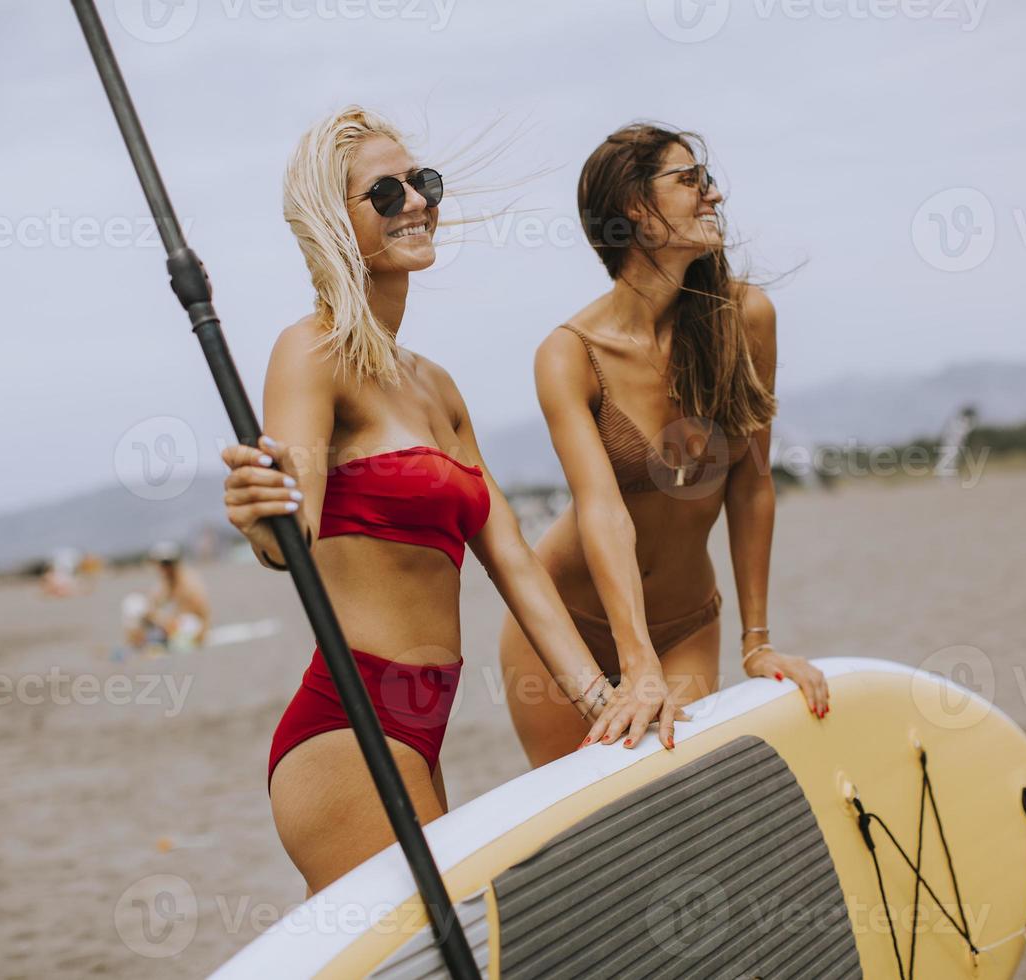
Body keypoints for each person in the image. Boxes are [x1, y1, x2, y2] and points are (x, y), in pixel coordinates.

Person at [219, 106, 683, 894]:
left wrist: (604, 701)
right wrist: (259, 512)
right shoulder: (312, 351)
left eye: (422, 182)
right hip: (348, 730)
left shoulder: (437, 385)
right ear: (335, 221)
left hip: (421, 733)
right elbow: (286, 529)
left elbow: (514, 563)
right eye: (386, 193)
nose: (417, 201)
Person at [499, 123, 832, 768]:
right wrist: (634, 663)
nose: (713, 195)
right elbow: (601, 507)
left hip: (684, 622)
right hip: (563, 629)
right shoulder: (571, 354)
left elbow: (752, 481)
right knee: (581, 827)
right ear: (634, 208)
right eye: (690, 180)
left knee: (676, 797)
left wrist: (756, 642)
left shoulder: (744, 320)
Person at [121, 542, 212, 655]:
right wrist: (154, 619)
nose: (163, 568)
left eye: (166, 563)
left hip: (188, 626)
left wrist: (201, 634)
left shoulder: (189, 582)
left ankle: (150, 641)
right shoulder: (166, 582)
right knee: (134, 603)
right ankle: (139, 640)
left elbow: (203, 613)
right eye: (161, 564)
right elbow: (152, 603)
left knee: (187, 625)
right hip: (172, 625)